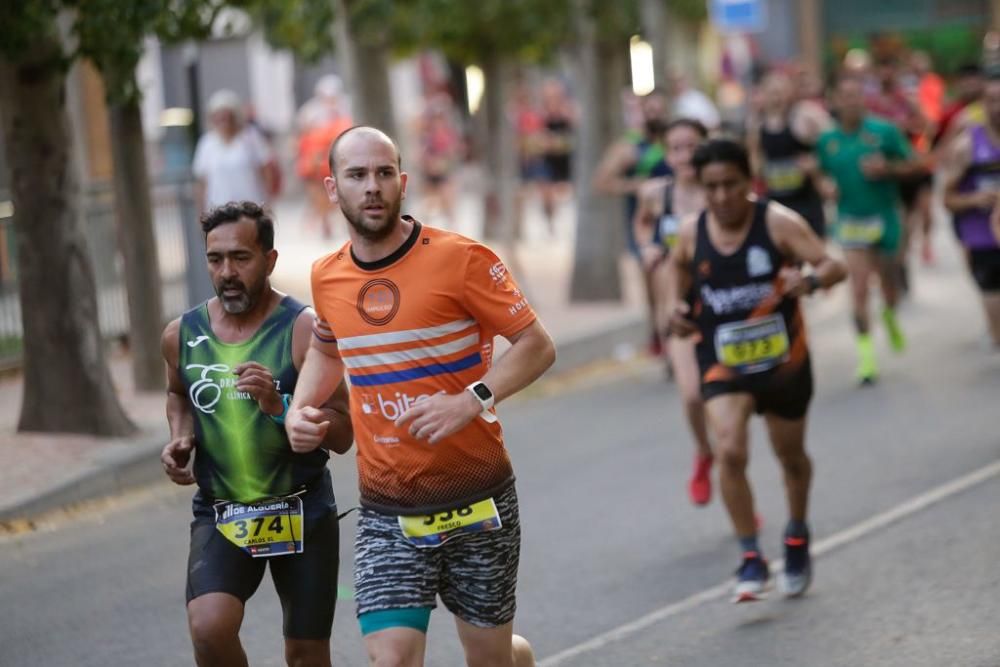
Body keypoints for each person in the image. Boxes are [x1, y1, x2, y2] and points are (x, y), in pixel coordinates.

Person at [286, 126, 555, 666]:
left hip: (479, 499)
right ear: (332, 189)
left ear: (403, 182)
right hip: (389, 508)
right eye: (357, 175)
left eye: (384, 173)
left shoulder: (461, 259)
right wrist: (299, 408)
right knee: (392, 659)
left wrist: (470, 399)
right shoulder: (327, 276)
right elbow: (326, 348)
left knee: (491, 658)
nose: (372, 187)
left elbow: (537, 345)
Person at [160, 201, 354, 666]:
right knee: (208, 629)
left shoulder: (303, 329)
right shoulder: (181, 334)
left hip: (301, 507)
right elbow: (177, 394)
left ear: (270, 260)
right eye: (215, 259)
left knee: (306, 654)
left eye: (241, 258)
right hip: (222, 510)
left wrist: (279, 405)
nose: (226, 272)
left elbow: (344, 432)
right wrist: (180, 437)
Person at [665, 139, 846, 602]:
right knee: (729, 449)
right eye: (711, 188)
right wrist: (676, 308)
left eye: (731, 185)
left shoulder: (777, 223)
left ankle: (797, 534)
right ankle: (750, 556)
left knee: (790, 456)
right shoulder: (691, 232)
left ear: (750, 181)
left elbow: (834, 263)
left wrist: (806, 280)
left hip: (783, 362)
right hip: (724, 360)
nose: (722, 196)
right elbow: (677, 272)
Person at [816, 75, 924, 385]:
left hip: (886, 217)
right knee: (859, 287)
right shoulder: (827, 141)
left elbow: (915, 165)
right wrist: (825, 186)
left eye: (856, 94)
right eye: (845, 96)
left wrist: (887, 169)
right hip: (850, 220)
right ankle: (866, 358)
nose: (851, 101)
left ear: (864, 99)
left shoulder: (884, 131)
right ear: (834, 102)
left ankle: (889, 312)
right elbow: (821, 174)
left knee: (888, 283)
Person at [632, 119, 713, 505]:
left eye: (692, 146)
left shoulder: (720, 194)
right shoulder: (655, 194)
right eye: (676, 148)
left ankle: (731, 470)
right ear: (667, 154)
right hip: (676, 312)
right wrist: (647, 247)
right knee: (693, 396)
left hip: (721, 308)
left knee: (733, 420)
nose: (685, 156)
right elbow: (643, 225)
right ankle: (704, 453)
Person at [594, 88, 673, 355]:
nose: (655, 115)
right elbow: (602, 182)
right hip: (645, 225)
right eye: (649, 110)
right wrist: (636, 185)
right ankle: (658, 332)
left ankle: (675, 333)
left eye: (659, 109)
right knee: (653, 286)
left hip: (678, 219)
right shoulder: (631, 147)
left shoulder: (677, 142)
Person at [941, 75, 1000, 348]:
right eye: (992, 101)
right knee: (993, 302)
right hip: (983, 237)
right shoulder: (967, 146)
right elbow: (947, 198)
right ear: (983, 105)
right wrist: (976, 199)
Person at [747, 69, 832, 238]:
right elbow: (754, 156)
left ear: (790, 92)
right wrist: (758, 172)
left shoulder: (804, 116)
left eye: (781, 92)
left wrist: (816, 164)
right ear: (764, 94)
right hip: (776, 199)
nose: (777, 98)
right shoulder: (757, 123)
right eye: (772, 93)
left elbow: (831, 140)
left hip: (805, 199)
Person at [193, 90, 277, 214]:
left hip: (251, 207)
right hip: (219, 211)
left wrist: (268, 201)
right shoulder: (207, 143)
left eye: (226, 116)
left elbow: (266, 169)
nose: (223, 121)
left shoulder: (250, 137)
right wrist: (200, 211)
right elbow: (202, 181)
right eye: (218, 117)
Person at [296, 75, 354, 239]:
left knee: (343, 192)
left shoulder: (347, 107)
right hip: (316, 161)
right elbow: (303, 137)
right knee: (319, 194)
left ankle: (341, 221)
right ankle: (324, 223)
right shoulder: (310, 112)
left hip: (339, 158)